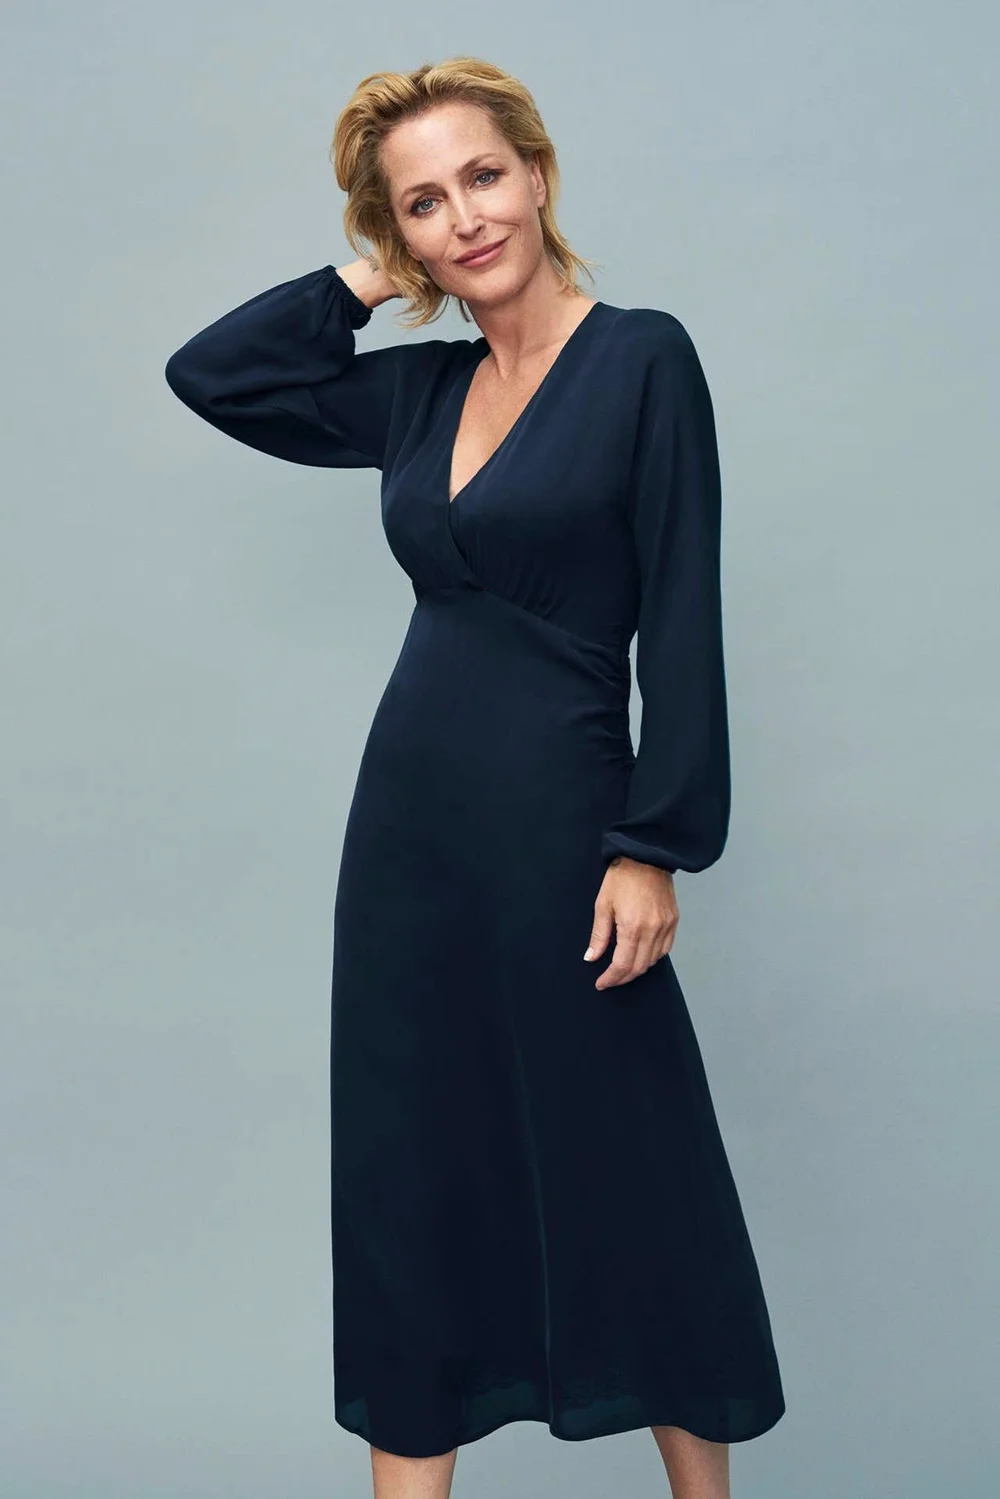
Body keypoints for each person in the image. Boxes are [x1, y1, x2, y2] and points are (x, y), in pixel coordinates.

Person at [163, 54, 785, 1499]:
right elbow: (215, 374)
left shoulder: (641, 360)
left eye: (484, 177)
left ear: (540, 176)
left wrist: (654, 845)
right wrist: (367, 277)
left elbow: (681, 611)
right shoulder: (420, 394)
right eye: (424, 204)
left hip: (567, 835)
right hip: (408, 844)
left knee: (632, 1172)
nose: (467, 219)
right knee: (412, 1179)